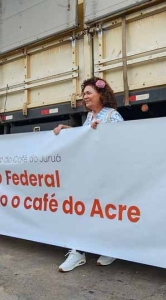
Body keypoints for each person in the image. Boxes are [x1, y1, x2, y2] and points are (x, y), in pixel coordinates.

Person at [53, 77, 124, 272]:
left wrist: (104, 130)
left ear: (101, 94)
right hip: (89, 176)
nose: (84, 97)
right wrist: (67, 130)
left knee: (105, 213)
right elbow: (85, 137)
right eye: (83, 94)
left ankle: (109, 248)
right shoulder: (90, 118)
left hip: (106, 176)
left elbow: (123, 141)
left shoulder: (111, 115)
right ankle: (78, 250)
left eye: (88, 93)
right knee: (85, 211)